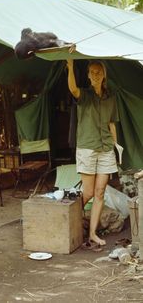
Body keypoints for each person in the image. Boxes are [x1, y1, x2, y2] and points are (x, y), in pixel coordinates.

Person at [67, 59, 119, 246]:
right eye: (92, 72)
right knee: (87, 192)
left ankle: (92, 234)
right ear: (88, 75)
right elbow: (73, 89)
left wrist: (116, 146)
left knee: (100, 192)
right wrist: (71, 67)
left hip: (106, 148)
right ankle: (69, 221)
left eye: (99, 72)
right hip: (87, 147)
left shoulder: (111, 97)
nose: (96, 75)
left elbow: (111, 122)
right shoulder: (85, 95)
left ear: (104, 75)